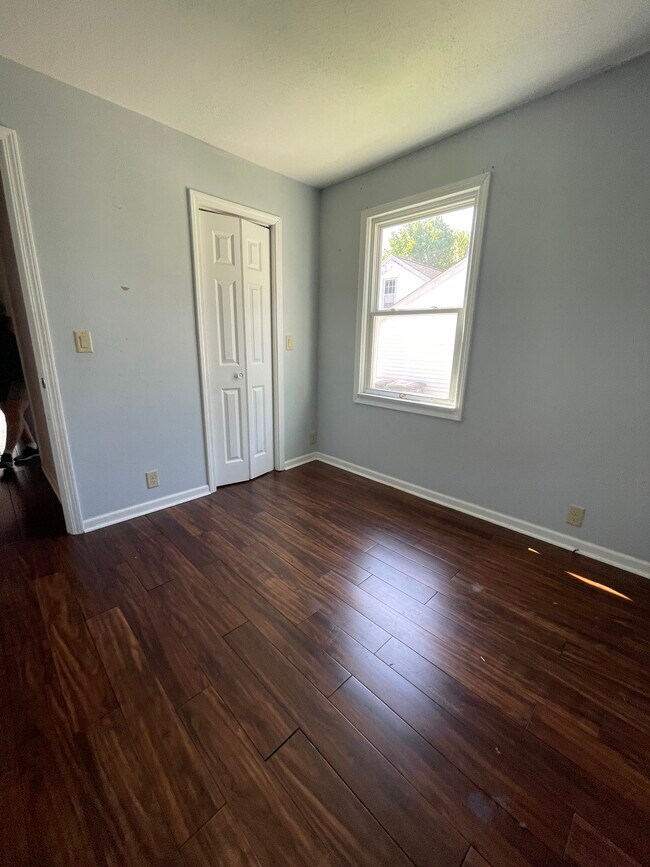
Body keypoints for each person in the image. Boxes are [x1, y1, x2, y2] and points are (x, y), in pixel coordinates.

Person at [0, 301, 39, 469]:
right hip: (3, 377)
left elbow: (27, 342)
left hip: (20, 374)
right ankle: (31, 447)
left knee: (14, 412)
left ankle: (7, 455)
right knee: (10, 413)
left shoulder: (8, 322)